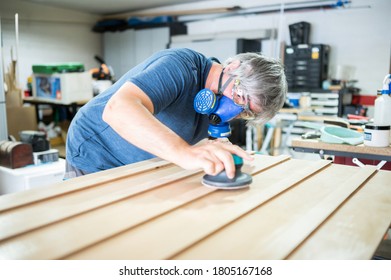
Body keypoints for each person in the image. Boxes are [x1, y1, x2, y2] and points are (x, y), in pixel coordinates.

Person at [64, 48, 287, 180]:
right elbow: (119, 109)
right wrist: (184, 153)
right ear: (232, 67)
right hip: (95, 150)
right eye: (240, 95)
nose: (235, 110)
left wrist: (209, 151)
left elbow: (182, 137)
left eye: (246, 111)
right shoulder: (181, 66)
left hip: (139, 163)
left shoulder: (212, 105)